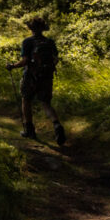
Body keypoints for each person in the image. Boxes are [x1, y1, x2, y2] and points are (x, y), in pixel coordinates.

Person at [7, 16, 66, 145]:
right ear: (43, 28)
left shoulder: (27, 42)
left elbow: (25, 61)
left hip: (30, 76)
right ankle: (57, 125)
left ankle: (29, 130)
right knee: (46, 103)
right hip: (46, 76)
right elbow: (55, 59)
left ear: (31, 28)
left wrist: (12, 66)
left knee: (26, 100)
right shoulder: (49, 42)